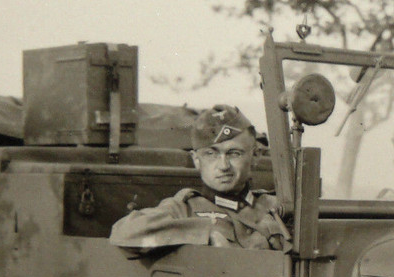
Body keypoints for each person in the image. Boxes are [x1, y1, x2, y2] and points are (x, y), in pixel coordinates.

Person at [109, 104, 291, 252]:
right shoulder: (183, 208)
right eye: (211, 154)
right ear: (196, 160)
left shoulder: (277, 206)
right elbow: (123, 232)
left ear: (255, 156)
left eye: (234, 153)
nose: (223, 166)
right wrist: (204, 233)